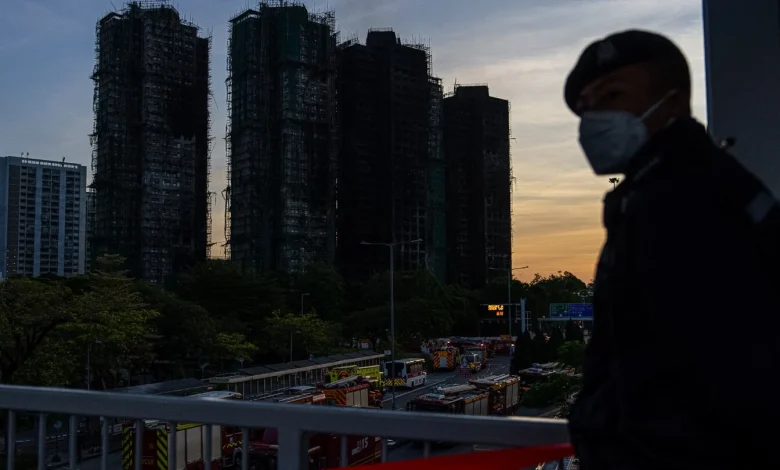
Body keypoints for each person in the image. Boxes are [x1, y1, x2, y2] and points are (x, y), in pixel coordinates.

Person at [563, 29, 780, 469]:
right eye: (586, 108)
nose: (593, 118)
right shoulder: (666, 188)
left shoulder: (688, 199)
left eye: (612, 94)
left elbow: (723, 372)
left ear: (673, 98)